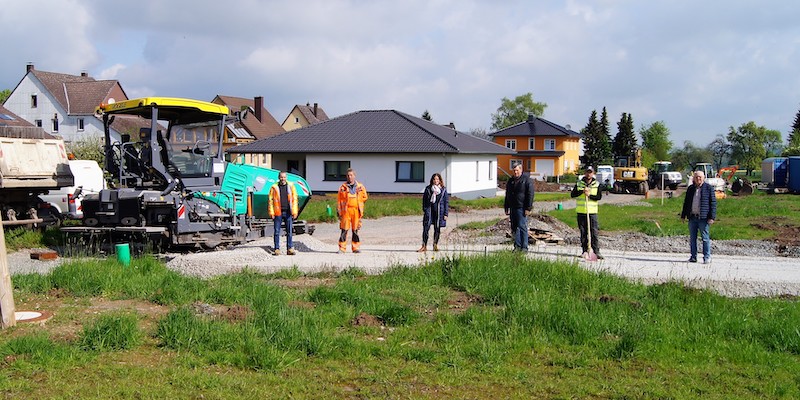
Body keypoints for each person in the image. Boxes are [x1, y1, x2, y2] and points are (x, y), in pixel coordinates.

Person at [681, 170, 717, 264]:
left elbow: (713, 203)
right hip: (692, 217)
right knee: (692, 239)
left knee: (705, 238)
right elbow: (686, 203)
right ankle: (693, 257)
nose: (698, 179)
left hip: (703, 218)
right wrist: (683, 215)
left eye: (700, 177)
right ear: (694, 179)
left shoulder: (709, 188)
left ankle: (707, 257)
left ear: (703, 178)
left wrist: (712, 217)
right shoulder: (690, 189)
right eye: (696, 177)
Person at [571, 165, 603, 259]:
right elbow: (573, 195)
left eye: (590, 172)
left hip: (592, 212)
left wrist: (589, 196)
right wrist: (581, 192)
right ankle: (584, 250)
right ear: (585, 173)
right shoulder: (579, 184)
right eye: (587, 172)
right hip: (581, 212)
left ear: (593, 173)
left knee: (594, 232)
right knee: (583, 232)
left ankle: (596, 251)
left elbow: (598, 197)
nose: (589, 174)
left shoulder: (597, 184)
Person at [504, 164, 534, 251]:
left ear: (521, 170)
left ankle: (524, 247)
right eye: (514, 171)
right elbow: (507, 194)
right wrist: (506, 206)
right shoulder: (511, 181)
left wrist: (528, 208)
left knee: (522, 227)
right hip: (513, 207)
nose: (515, 172)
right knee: (514, 227)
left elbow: (530, 195)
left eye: (517, 170)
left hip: (522, 207)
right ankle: (517, 246)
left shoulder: (527, 181)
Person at [337, 168, 368, 253]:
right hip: (346, 211)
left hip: (356, 211)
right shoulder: (342, 187)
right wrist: (339, 211)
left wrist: (359, 202)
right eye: (348, 175)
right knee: (344, 230)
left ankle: (355, 248)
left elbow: (365, 197)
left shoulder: (360, 187)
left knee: (355, 230)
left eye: (351, 175)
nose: (349, 177)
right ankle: (342, 248)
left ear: (354, 176)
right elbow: (339, 200)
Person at [268, 171, 299, 256]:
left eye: (284, 177)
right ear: (279, 178)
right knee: (277, 231)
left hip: (288, 212)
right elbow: (270, 200)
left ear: (286, 178)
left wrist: (295, 211)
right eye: (281, 177)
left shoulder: (291, 186)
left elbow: (295, 199)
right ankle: (277, 249)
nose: (283, 179)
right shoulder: (274, 187)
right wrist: (271, 212)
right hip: (278, 212)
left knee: (289, 231)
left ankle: (289, 248)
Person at [418, 173, 449, 252]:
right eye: (434, 179)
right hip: (429, 211)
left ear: (440, 180)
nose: (436, 181)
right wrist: (425, 210)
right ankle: (424, 246)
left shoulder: (443, 190)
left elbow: (446, 202)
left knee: (437, 229)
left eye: (437, 179)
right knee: (426, 228)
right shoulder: (428, 189)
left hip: (439, 212)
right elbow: (424, 200)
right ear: (432, 180)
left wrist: (446, 213)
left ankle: (435, 245)